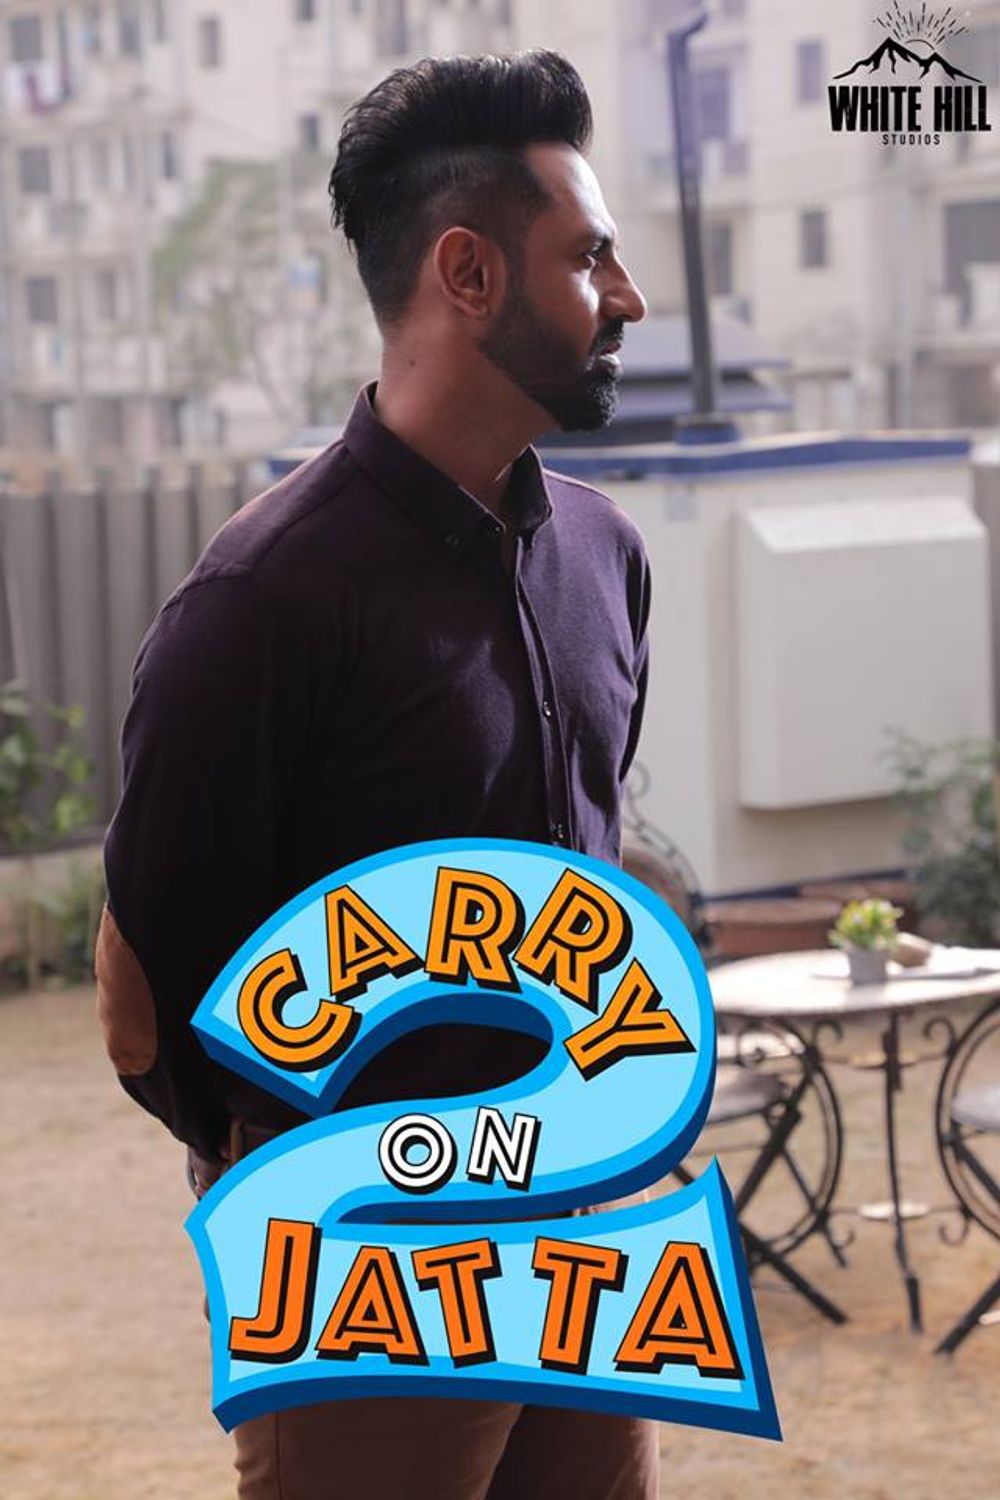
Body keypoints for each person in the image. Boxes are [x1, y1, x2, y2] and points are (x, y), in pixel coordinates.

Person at [97, 48, 654, 1500]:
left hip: (589, 1224)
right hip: (368, 1267)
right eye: (588, 257)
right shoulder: (264, 600)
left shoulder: (606, 556)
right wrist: (312, 1176)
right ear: (468, 274)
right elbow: (142, 990)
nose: (628, 298)